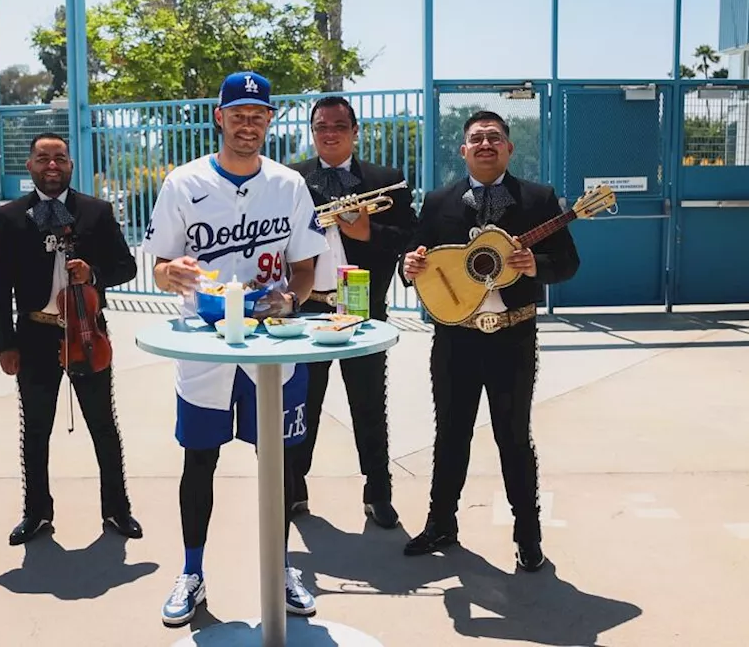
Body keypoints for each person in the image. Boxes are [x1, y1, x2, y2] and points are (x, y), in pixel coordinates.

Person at [142, 71, 328, 626]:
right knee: (200, 459)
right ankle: (192, 572)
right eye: (239, 114)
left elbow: (303, 269)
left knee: (281, 463)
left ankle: (281, 567)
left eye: (259, 115)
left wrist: (290, 301)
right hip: (205, 342)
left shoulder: (289, 184)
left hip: (273, 343)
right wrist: (169, 271)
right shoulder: (183, 181)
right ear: (219, 117)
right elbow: (157, 265)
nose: (249, 124)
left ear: (270, 120)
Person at [400, 111, 580, 572]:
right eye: (476, 138)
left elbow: (567, 262)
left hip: (512, 338)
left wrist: (532, 265)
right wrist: (411, 267)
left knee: (513, 437)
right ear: (463, 150)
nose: (485, 144)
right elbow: (416, 258)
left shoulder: (538, 199)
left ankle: (528, 534)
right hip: (454, 340)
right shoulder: (439, 200)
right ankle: (442, 523)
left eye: (494, 138)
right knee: (451, 434)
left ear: (508, 149)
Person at [0, 132, 143, 546]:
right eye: (43, 158)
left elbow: (127, 266)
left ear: (71, 165)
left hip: (87, 333)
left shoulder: (96, 211)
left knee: (103, 425)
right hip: (35, 334)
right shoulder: (10, 216)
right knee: (35, 429)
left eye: (60, 158)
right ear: (30, 165)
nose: (51, 165)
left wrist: (92, 273)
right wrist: (5, 344)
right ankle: (36, 513)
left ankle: (117, 509)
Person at [286, 96, 417, 529]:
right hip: (308, 308)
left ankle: (378, 491)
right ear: (313, 131)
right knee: (303, 402)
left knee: (369, 403)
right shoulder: (291, 180)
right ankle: (293, 487)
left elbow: (410, 237)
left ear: (355, 130)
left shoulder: (387, 180)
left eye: (339, 125)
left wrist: (366, 230)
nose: (330, 132)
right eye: (321, 125)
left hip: (361, 309)